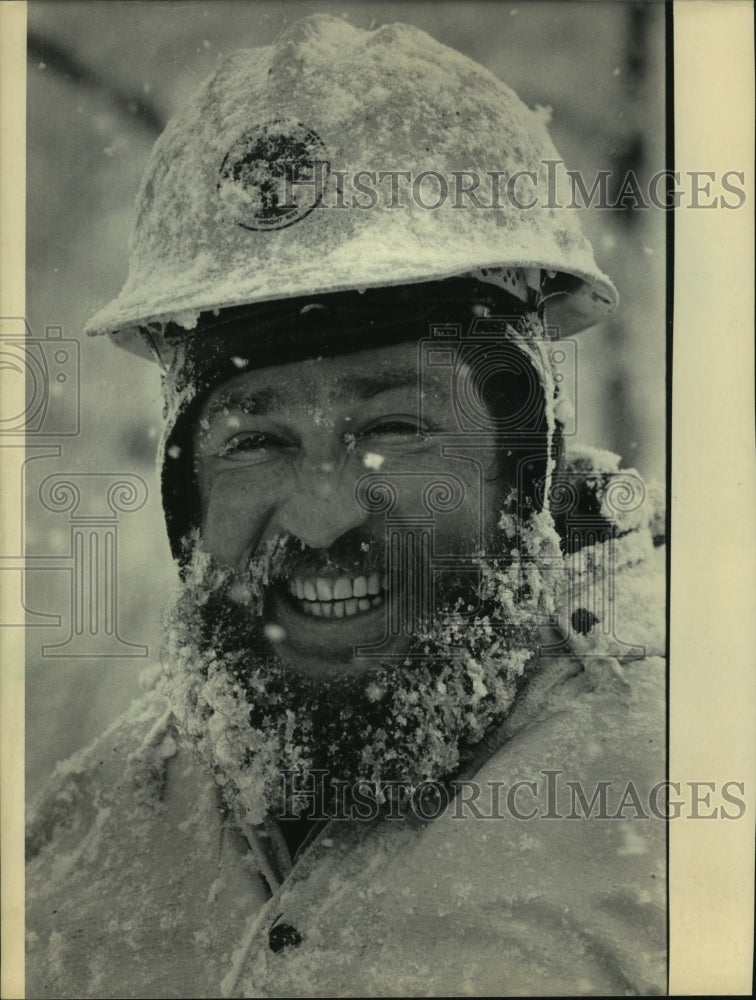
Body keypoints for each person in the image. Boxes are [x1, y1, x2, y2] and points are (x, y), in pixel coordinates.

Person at [25, 15, 666, 997]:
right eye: (256, 438)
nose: (320, 517)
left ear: (523, 457)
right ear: (185, 483)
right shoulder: (88, 835)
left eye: (398, 426)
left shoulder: (673, 799)